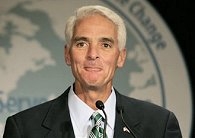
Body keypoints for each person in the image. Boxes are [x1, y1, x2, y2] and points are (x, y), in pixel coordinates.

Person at [3, 5, 182, 138]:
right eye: (82, 44)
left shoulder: (159, 126)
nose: (93, 54)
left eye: (105, 45)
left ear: (121, 57)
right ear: (67, 54)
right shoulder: (24, 129)